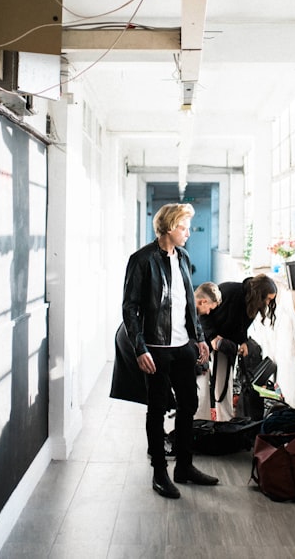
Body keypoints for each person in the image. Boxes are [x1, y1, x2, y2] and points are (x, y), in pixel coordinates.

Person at [122, 203, 218, 499]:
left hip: (182, 346)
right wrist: (139, 348)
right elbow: (130, 307)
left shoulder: (184, 257)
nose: (188, 233)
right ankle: (160, 471)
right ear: (168, 228)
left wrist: (199, 337)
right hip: (156, 348)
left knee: (189, 402)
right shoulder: (142, 260)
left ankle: (185, 466)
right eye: (183, 227)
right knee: (157, 408)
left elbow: (190, 301)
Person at [197, 274, 277, 421]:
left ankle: (225, 421)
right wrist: (213, 337)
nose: (267, 303)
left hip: (226, 345)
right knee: (201, 381)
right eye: (268, 299)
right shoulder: (228, 290)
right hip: (204, 338)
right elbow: (202, 314)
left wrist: (243, 341)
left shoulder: (253, 304)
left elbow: (240, 326)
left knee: (224, 383)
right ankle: (201, 423)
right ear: (260, 294)